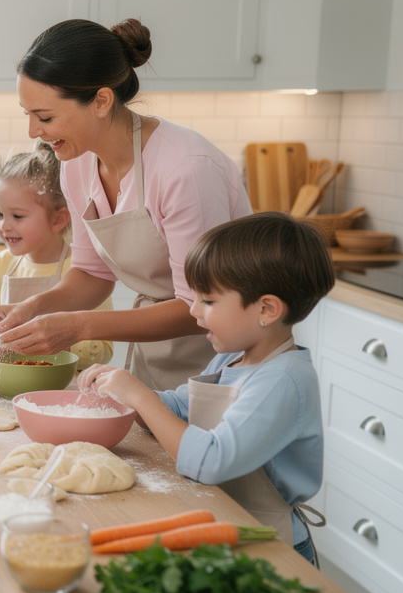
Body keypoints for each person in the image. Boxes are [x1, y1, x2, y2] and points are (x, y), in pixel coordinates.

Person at [0, 18, 252, 391]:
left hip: (229, 359)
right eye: (27, 115)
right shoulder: (76, 163)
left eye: (44, 117)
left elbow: (201, 308)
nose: (33, 132)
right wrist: (30, 309)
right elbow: (92, 273)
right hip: (155, 355)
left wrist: (79, 326)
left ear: (102, 101)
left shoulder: (184, 169)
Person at [78, 212, 335, 564]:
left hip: (273, 548)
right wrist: (123, 390)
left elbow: (211, 461)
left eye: (209, 301)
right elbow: (177, 407)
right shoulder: (232, 361)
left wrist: (138, 395)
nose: (194, 311)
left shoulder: (283, 380)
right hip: (228, 530)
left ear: (267, 309)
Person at [0, 144, 112, 370]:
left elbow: (103, 349)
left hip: (63, 387)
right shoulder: (2, 264)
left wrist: (56, 341)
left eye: (17, 216)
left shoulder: (86, 271)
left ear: (58, 220)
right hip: (8, 380)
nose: (4, 225)